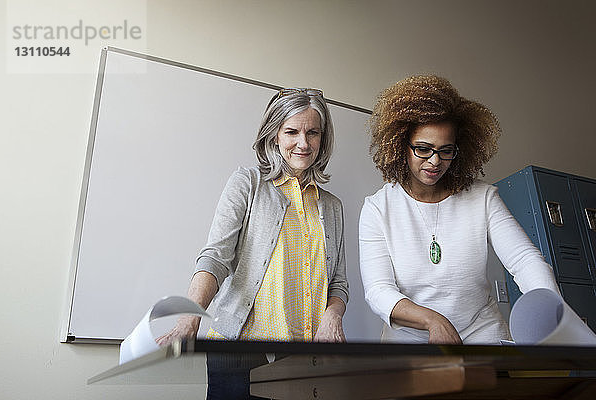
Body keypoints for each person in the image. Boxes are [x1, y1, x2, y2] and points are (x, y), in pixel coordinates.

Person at [157, 88, 348, 399]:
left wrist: (333, 316)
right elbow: (215, 258)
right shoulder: (247, 184)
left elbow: (338, 282)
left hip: (302, 357)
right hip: (239, 348)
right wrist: (190, 317)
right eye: (292, 131)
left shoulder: (332, 206)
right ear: (274, 136)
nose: (304, 142)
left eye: (313, 132)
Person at [359, 75, 559, 345]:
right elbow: (378, 290)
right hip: (409, 339)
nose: (435, 161)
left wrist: (551, 313)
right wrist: (433, 320)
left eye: (446, 151)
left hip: (482, 332)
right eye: (423, 149)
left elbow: (525, 261)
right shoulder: (377, 208)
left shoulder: (483, 198)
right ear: (400, 145)